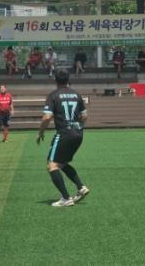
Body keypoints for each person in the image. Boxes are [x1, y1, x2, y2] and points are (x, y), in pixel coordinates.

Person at [37, 69, 89, 207]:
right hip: (78, 133)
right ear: (68, 80)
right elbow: (84, 116)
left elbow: (47, 117)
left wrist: (40, 132)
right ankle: (81, 187)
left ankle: (66, 198)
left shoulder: (53, 95)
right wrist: (75, 126)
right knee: (62, 163)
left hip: (64, 133)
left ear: (55, 80)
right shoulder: (77, 95)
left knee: (52, 165)